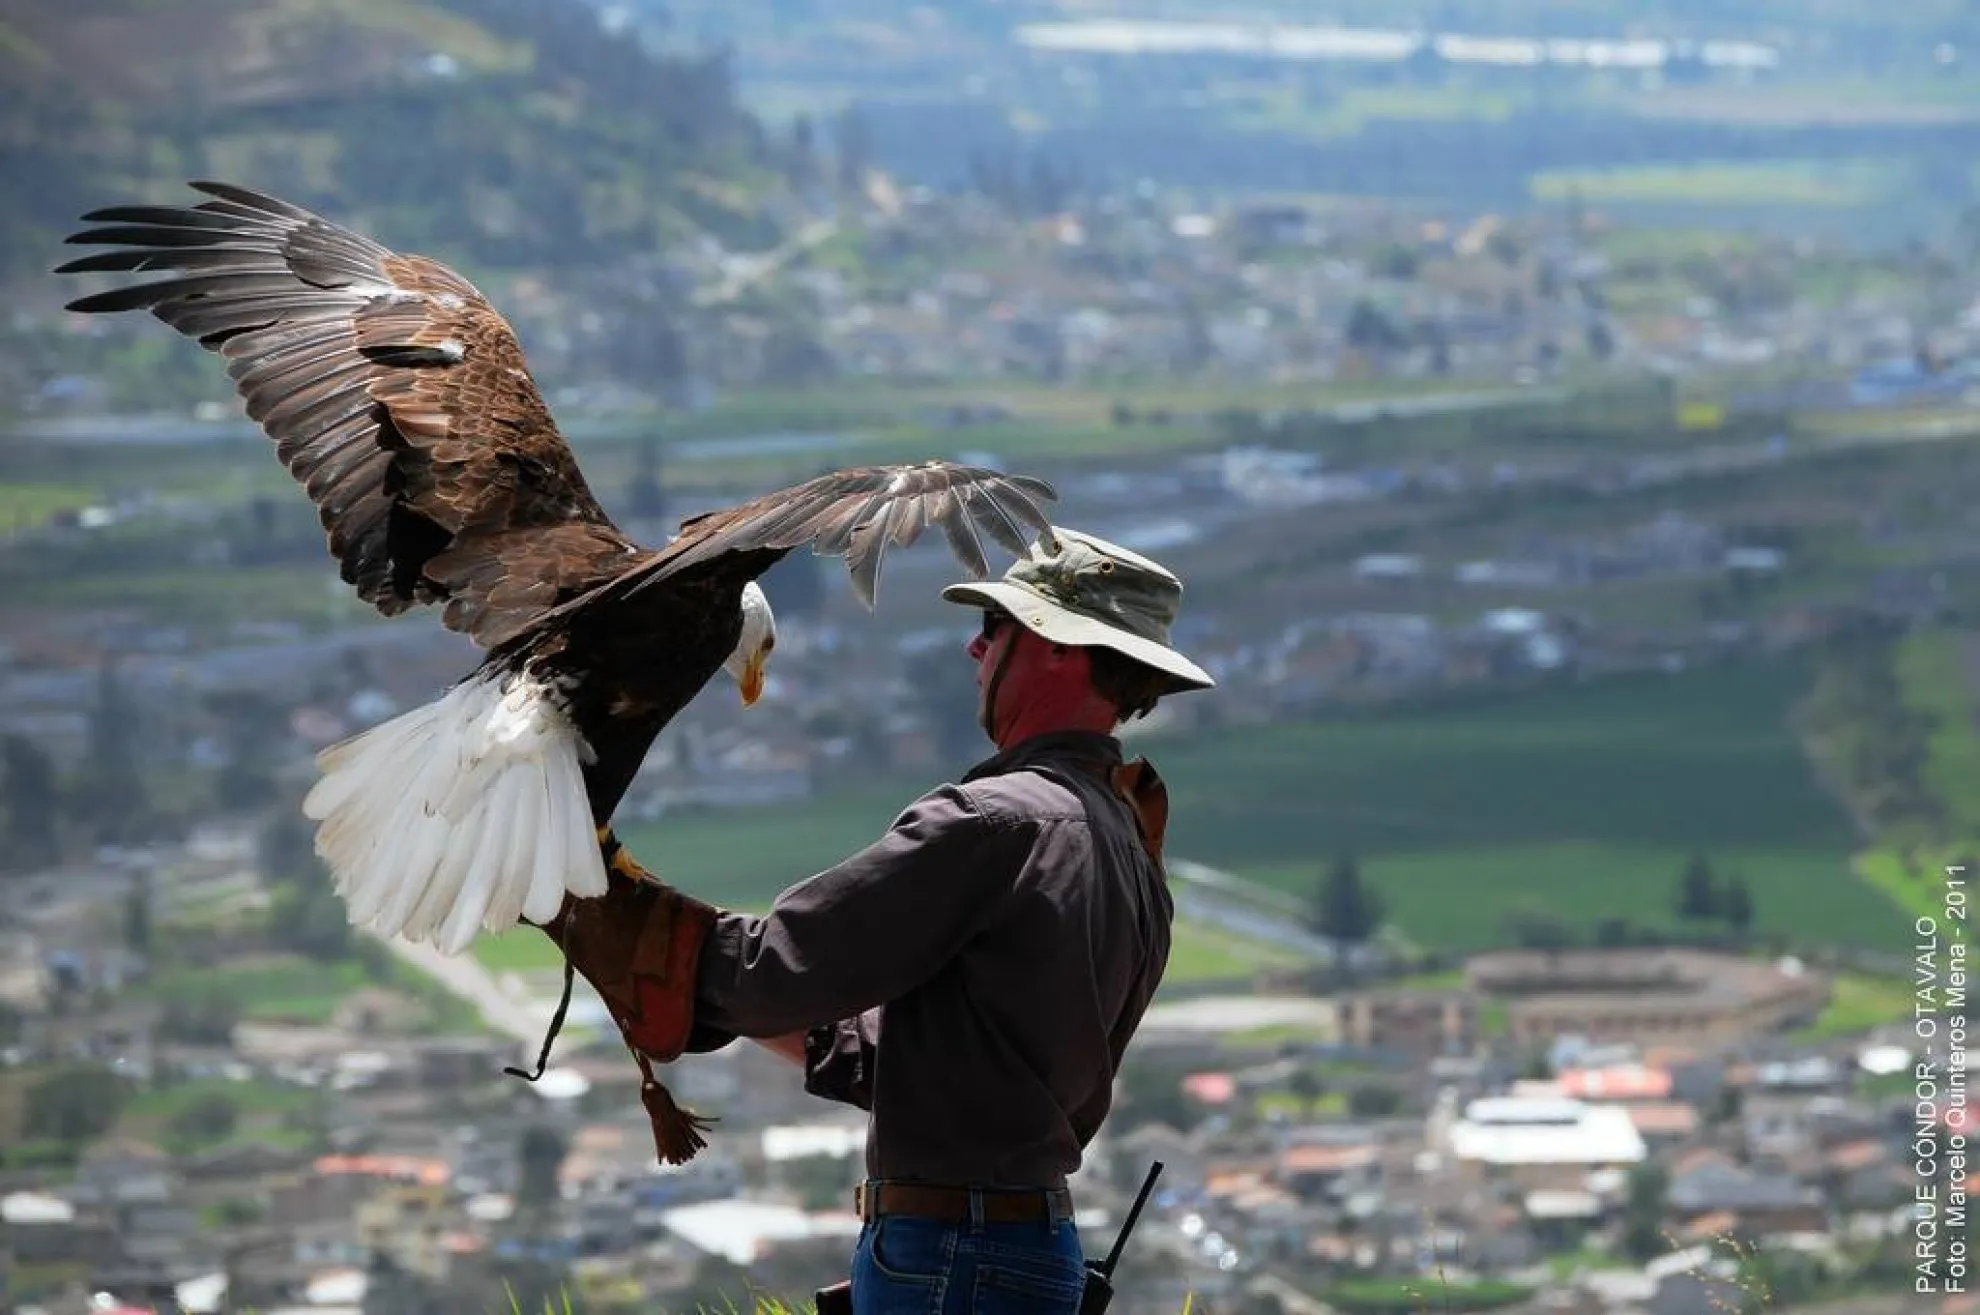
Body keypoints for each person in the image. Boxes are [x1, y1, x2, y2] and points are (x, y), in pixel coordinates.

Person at [536, 526, 1215, 1314]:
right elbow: (917, 1064)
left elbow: (771, 972)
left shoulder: (993, 823)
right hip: (1029, 1247)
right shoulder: (1131, 842)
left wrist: (580, 890)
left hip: (954, 1250)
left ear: (1059, 647)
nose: (974, 649)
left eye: (996, 628)